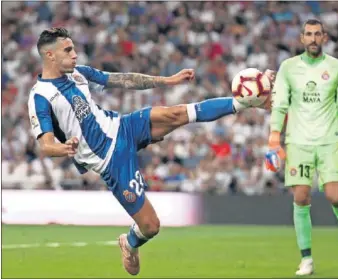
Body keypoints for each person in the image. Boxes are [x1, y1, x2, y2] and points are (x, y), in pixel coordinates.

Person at [28, 27, 274, 276]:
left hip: (122, 127)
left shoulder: (79, 73)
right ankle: (130, 242)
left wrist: (167, 81)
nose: (75, 55)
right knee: (151, 226)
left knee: (176, 113)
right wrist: (63, 148)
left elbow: (123, 79)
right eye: (68, 50)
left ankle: (246, 103)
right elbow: (45, 144)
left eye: (73, 48)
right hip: (110, 160)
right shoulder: (41, 96)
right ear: (49, 56)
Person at [265, 19, 338, 276]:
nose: (312, 38)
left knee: (335, 196)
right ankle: (307, 259)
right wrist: (274, 138)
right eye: (308, 34)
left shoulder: (337, 68)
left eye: (317, 34)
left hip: (329, 140)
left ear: (324, 37)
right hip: (298, 142)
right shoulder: (288, 68)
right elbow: (280, 105)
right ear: (301, 38)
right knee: (300, 198)